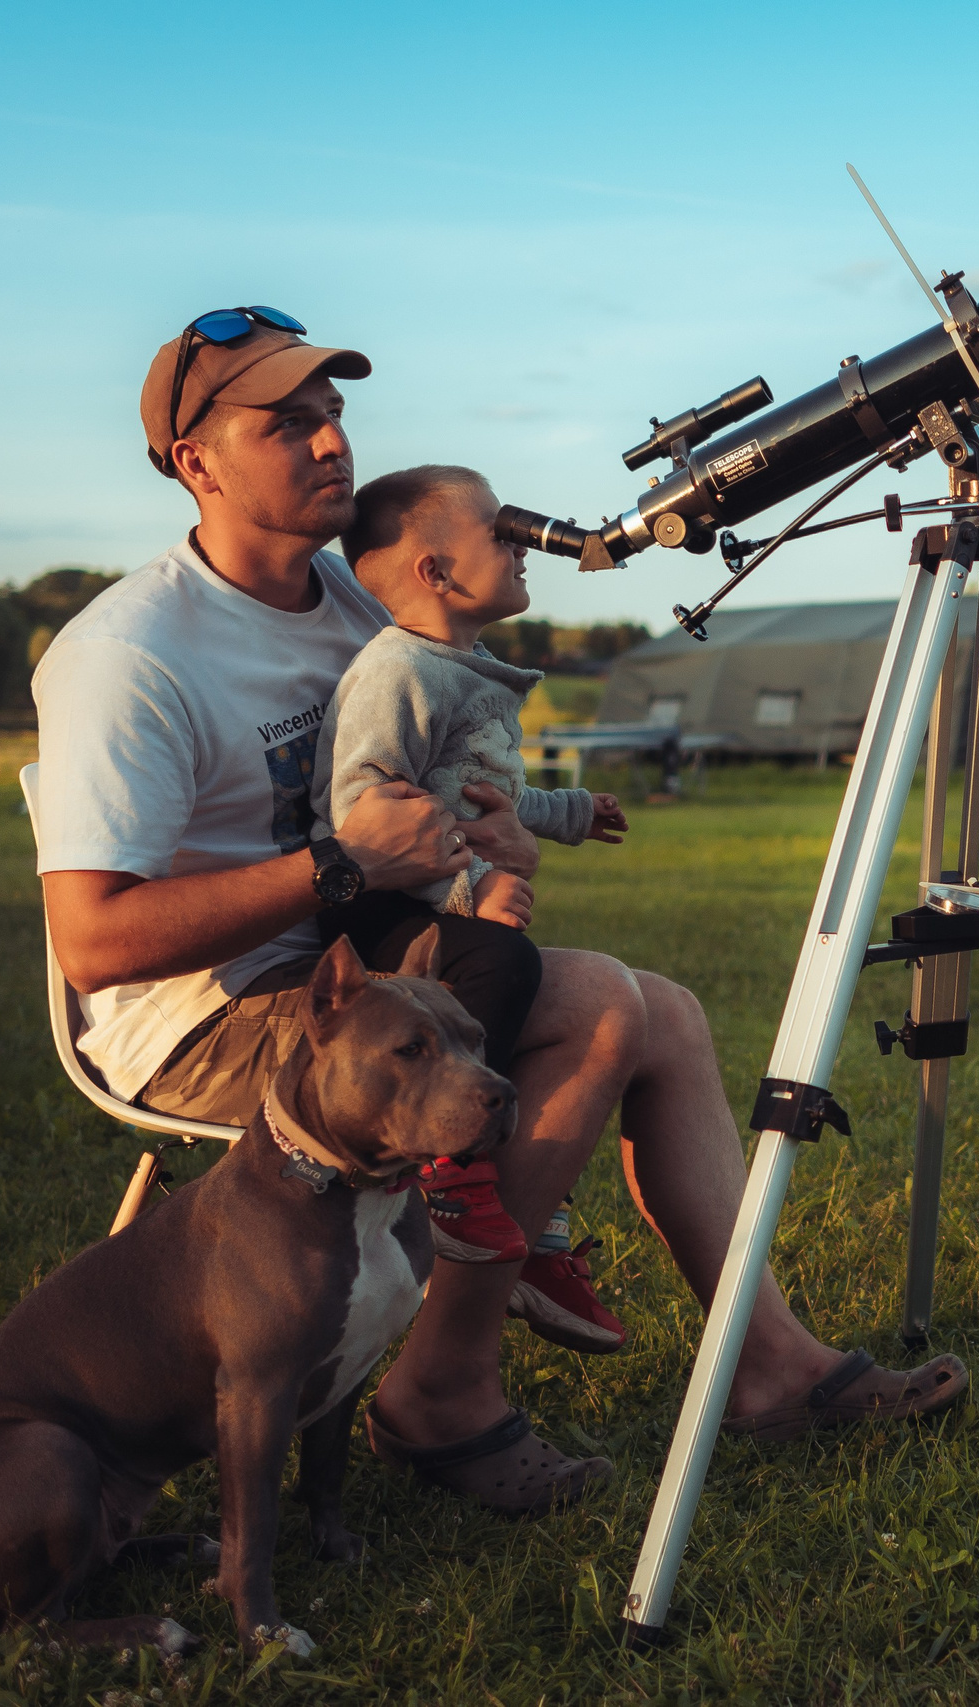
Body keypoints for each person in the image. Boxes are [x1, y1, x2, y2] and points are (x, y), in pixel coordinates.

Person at [30, 307, 967, 1515]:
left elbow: (435, 769)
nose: (329, 446)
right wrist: (344, 871)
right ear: (194, 462)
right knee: (595, 1005)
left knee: (666, 1013)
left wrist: (501, 827)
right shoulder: (129, 654)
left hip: (359, 960)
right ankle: (442, 1394)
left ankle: (772, 1367)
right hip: (206, 1015)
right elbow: (95, 946)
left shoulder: (354, 600)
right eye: (285, 425)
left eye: (333, 418)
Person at [312, 461, 631, 1348]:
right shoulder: (398, 672)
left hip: (430, 896)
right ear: (436, 573)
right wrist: (468, 889)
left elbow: (483, 793)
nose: (525, 539)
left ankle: (543, 1224)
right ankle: (450, 1170)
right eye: (503, 529)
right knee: (502, 963)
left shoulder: (466, 666)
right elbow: (364, 812)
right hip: (371, 910)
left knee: (514, 978)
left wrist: (569, 812)